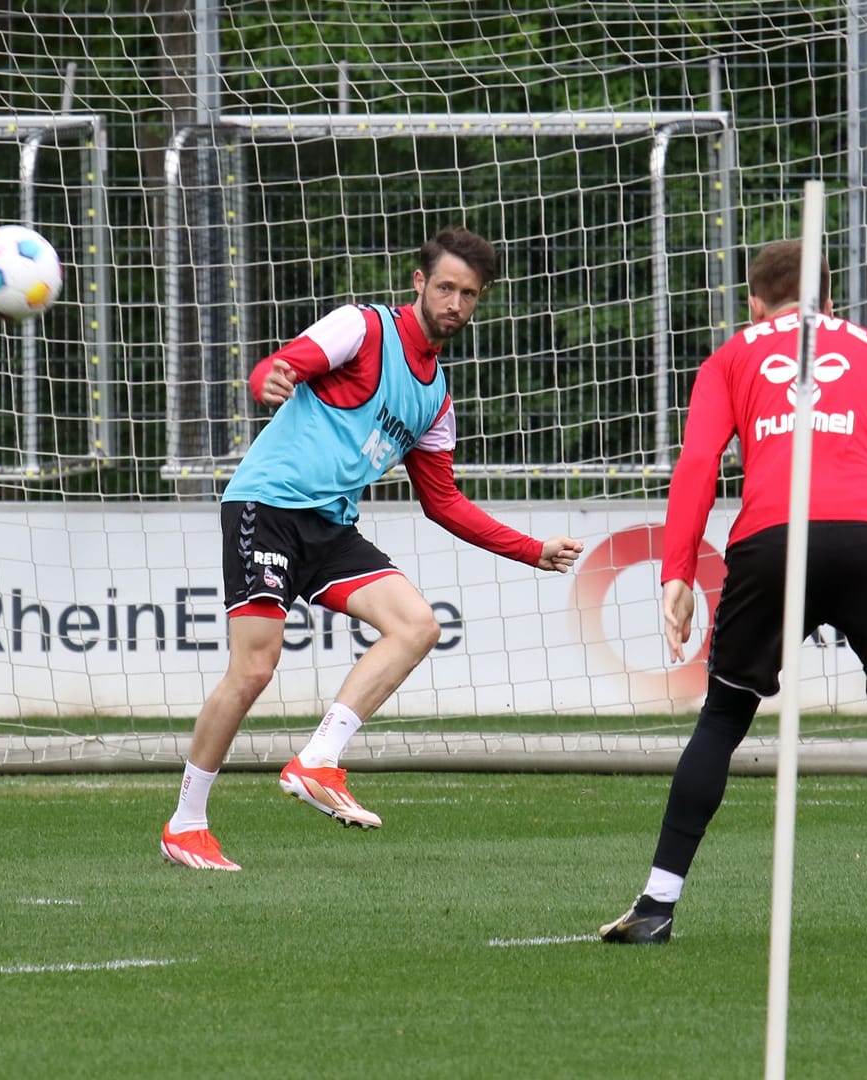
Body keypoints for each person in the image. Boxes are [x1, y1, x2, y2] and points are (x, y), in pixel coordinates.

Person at [599, 240, 867, 952]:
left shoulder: (733, 354)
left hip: (771, 539)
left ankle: (657, 905)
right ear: (831, 300)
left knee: (721, 721)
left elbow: (696, 464)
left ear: (755, 302)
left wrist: (677, 574)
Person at [161, 227, 584, 871]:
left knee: (417, 626)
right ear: (419, 283)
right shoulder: (362, 328)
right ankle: (186, 824)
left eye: (468, 294)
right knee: (253, 669)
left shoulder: (436, 398)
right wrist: (267, 380)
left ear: (480, 300)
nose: (454, 303)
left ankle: (318, 760)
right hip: (267, 505)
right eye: (444, 287)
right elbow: (286, 363)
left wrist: (532, 550)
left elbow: (443, 502)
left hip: (329, 527)